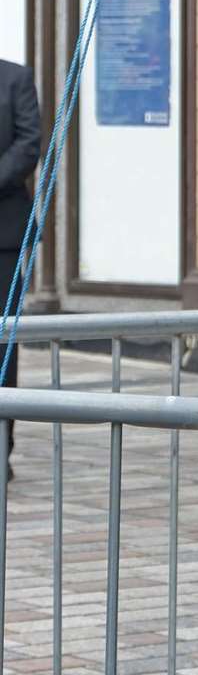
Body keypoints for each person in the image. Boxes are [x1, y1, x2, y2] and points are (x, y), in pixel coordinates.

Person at [0, 58, 42, 480]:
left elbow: (29, 144)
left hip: (3, 238)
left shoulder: (15, 78)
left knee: (1, 344)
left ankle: (0, 448)